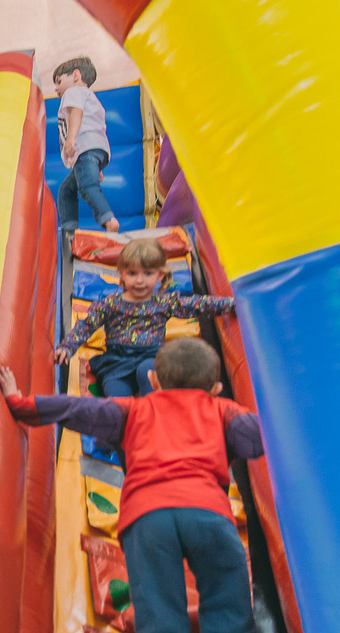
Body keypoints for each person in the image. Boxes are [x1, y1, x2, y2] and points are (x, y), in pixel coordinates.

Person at [0, 338, 263, 633]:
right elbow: (261, 438)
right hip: (209, 515)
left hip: (147, 518)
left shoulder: (133, 409)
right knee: (231, 615)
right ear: (216, 386)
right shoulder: (223, 411)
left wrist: (18, 400)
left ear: (154, 381)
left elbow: (74, 409)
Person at [55, 239, 234, 398]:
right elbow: (85, 326)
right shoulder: (110, 304)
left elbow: (196, 304)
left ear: (160, 275)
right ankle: (125, 422)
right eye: (132, 273)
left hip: (151, 356)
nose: (140, 280)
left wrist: (229, 304)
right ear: (121, 274)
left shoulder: (164, 302)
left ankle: (153, 411)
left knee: (147, 371)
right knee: (116, 396)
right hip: (117, 361)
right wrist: (67, 347)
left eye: (148, 274)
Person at [54, 56, 119, 233]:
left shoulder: (73, 92)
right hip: (96, 151)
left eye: (59, 81)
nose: (56, 88)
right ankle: (69, 231)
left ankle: (108, 219)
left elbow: (77, 112)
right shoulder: (92, 98)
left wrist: (71, 138)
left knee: (88, 186)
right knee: (66, 190)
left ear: (75, 75)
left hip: (85, 148)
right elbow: (95, 126)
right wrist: (97, 167)